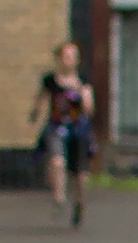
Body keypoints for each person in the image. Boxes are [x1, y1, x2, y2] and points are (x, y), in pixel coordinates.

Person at [31, 42, 96, 224]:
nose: (69, 61)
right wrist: (35, 113)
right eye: (66, 57)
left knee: (80, 175)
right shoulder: (50, 81)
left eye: (73, 57)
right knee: (57, 161)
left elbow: (90, 110)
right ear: (59, 59)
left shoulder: (82, 81)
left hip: (78, 129)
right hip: (56, 126)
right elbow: (41, 99)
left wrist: (82, 94)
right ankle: (59, 196)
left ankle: (79, 202)